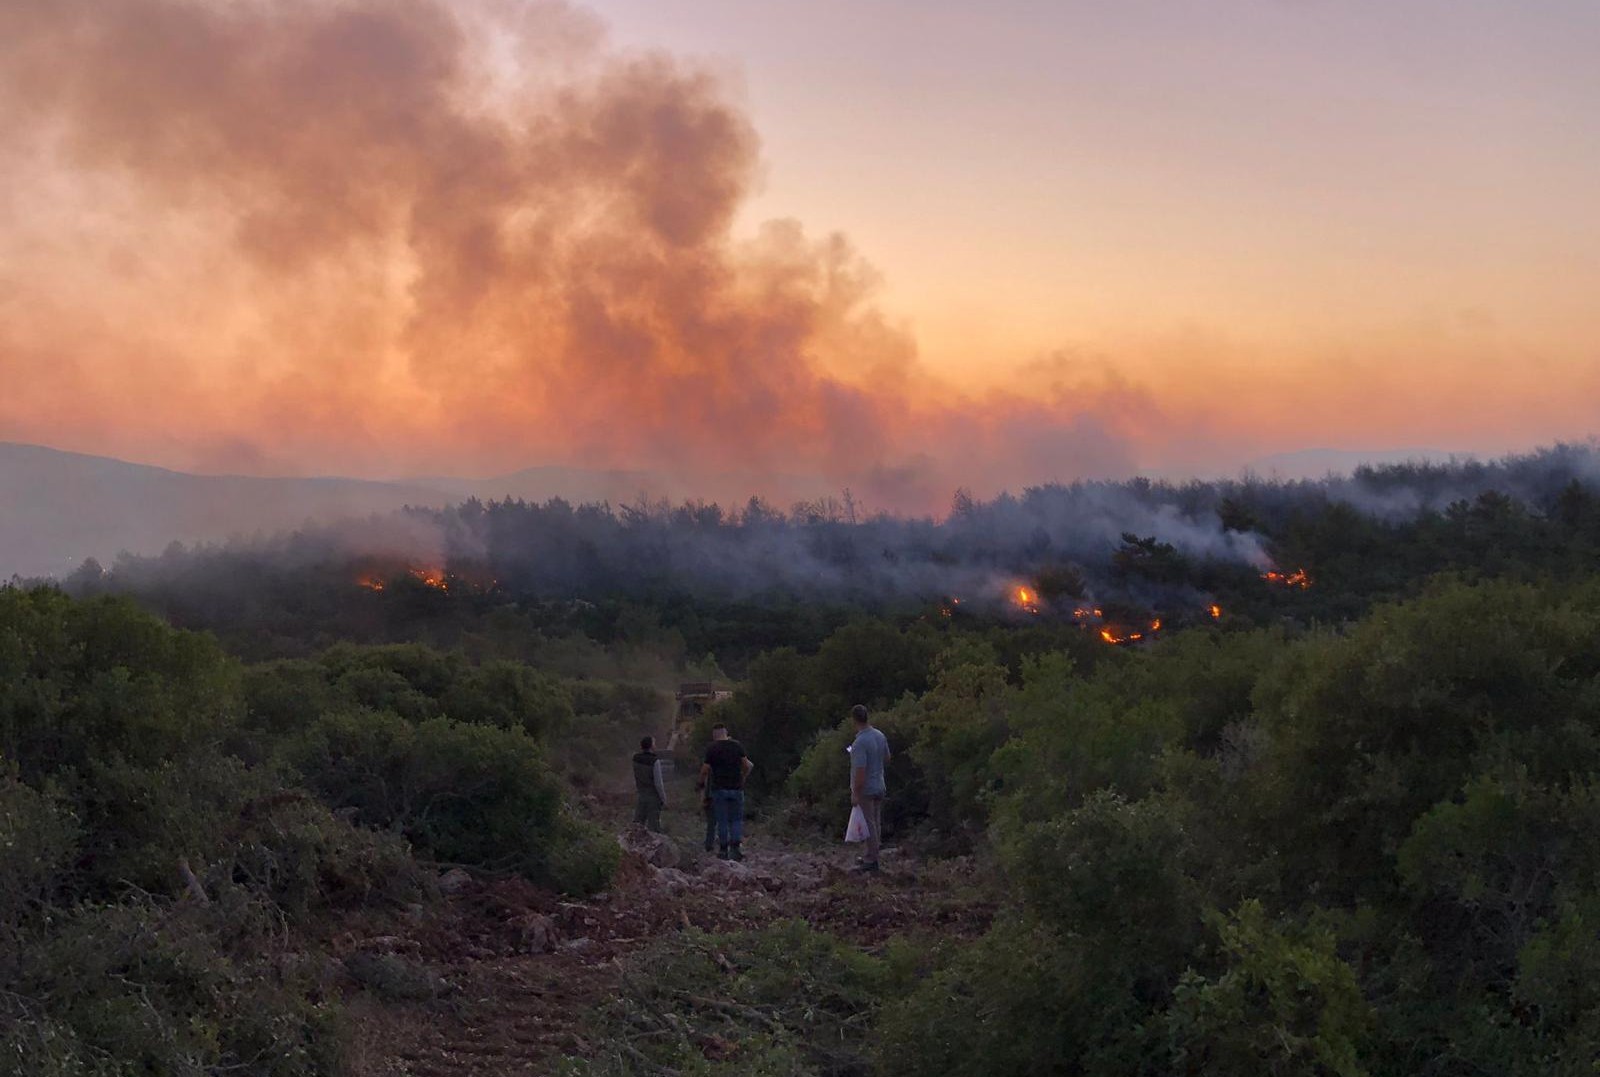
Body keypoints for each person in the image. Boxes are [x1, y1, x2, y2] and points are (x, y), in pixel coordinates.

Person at [699, 723, 753, 860]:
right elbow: (747, 765)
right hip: (736, 788)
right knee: (736, 819)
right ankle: (735, 849)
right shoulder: (737, 746)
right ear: (726, 733)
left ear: (714, 735)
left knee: (722, 819)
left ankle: (723, 850)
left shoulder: (712, 748)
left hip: (719, 789)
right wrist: (743, 777)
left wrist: (700, 783)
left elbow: (705, 770)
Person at [849, 704, 890, 872]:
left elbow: (860, 771)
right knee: (875, 823)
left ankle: (872, 860)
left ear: (854, 720)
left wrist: (856, 793)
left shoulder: (859, 742)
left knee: (868, 824)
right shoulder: (879, 735)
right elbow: (887, 757)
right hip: (879, 784)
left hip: (867, 788)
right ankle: (871, 854)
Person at [631, 735, 667, 833]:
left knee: (637, 824)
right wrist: (663, 798)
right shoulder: (655, 761)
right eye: (654, 743)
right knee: (653, 827)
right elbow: (658, 784)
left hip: (641, 794)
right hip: (653, 798)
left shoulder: (635, 759)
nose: (656, 746)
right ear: (651, 746)